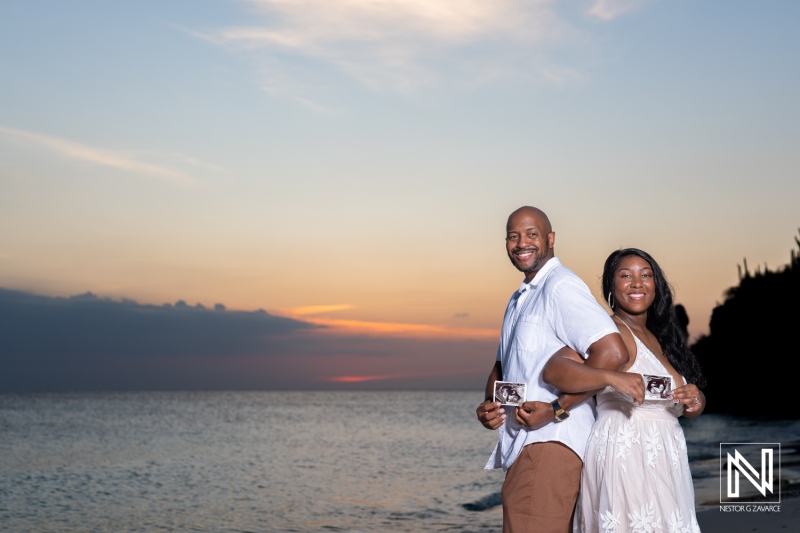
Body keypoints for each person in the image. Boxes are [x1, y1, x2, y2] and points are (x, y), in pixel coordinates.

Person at [475, 206, 644, 533]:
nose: (521, 242)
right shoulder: (519, 298)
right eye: (513, 236)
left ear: (550, 239)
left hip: (551, 444)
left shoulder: (560, 285)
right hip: (526, 445)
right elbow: (502, 364)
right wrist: (488, 407)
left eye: (532, 234)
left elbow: (611, 351)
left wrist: (556, 409)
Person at [542, 248, 707, 533]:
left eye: (646, 275)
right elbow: (555, 370)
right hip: (625, 447)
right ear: (610, 285)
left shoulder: (661, 336)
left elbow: (686, 409)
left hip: (667, 454)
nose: (637, 283)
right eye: (625, 275)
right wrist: (612, 378)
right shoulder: (607, 330)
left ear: (656, 285)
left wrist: (696, 399)